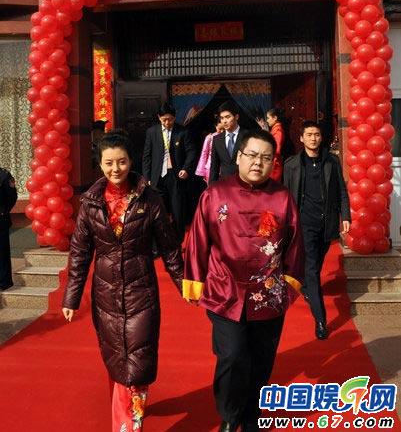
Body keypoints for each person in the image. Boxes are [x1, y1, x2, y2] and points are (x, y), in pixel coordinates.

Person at [62, 130, 183, 432]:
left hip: (142, 291)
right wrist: (71, 298)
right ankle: (127, 409)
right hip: (105, 294)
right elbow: (79, 253)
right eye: (109, 163)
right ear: (100, 164)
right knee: (116, 357)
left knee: (138, 359)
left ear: (131, 161)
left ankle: (128, 425)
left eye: (122, 161)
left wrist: (184, 283)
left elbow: (169, 246)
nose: (116, 169)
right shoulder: (91, 203)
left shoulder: (150, 199)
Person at [184, 130, 304, 432]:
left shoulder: (282, 198)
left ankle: (252, 414)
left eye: (266, 157)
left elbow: (295, 244)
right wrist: (195, 281)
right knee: (232, 355)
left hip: (268, 293)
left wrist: (290, 283)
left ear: (273, 162)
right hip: (225, 290)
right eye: (252, 155)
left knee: (262, 360)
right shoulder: (215, 194)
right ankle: (229, 414)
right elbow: (198, 240)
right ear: (238, 156)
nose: (258, 163)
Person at [283, 120, 351, 340]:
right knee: (312, 269)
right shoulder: (291, 165)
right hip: (304, 223)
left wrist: (345, 216)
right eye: (309, 135)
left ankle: (305, 286)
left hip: (327, 222)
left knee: (317, 262)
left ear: (321, 138)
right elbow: (285, 196)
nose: (313, 138)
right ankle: (320, 320)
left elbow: (342, 191)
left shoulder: (332, 161)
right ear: (301, 138)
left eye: (317, 135)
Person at [142, 102, 197, 242]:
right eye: (164, 119)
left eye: (170, 119)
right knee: (158, 212)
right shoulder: (152, 132)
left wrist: (186, 168)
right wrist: (147, 177)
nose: (167, 123)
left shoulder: (182, 131)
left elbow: (191, 152)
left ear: (175, 117)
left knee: (178, 211)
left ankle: (178, 241)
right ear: (158, 117)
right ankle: (160, 242)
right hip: (157, 177)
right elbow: (147, 156)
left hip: (175, 176)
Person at [209, 101, 247, 184]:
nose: (224, 121)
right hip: (225, 183)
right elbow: (214, 167)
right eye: (222, 118)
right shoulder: (217, 139)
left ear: (236, 117)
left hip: (244, 183)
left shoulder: (247, 136)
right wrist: (211, 187)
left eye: (227, 117)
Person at [0, 167, 18, 291]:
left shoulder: (4, 175)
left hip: (1, 220)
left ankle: (4, 281)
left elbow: (12, 196)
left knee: (2, 252)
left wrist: (3, 211)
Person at [257, 108, 285, 181]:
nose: (267, 120)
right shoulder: (274, 130)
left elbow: (276, 150)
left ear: (275, 118)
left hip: (274, 166)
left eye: (268, 118)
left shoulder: (278, 131)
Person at [195, 119, 225, 183]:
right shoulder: (210, 137)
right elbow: (204, 153)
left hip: (224, 168)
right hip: (210, 168)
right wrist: (202, 171)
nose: (222, 131)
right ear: (215, 126)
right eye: (220, 129)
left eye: (224, 129)